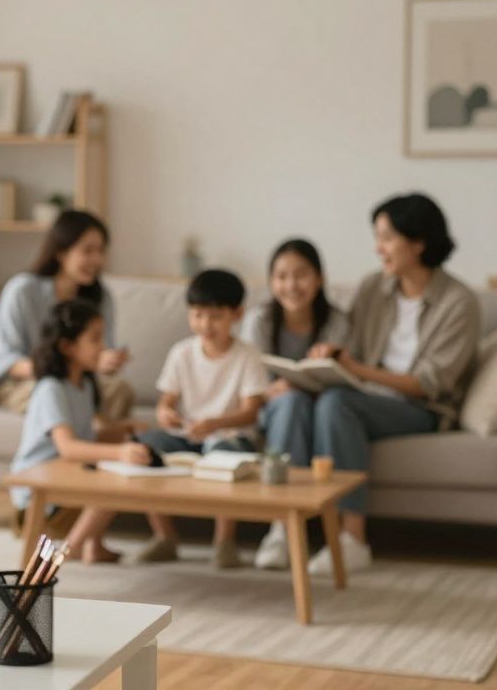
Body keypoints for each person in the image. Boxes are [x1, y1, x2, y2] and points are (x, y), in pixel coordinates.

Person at [305, 192, 479, 574]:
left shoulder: (458, 302)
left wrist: (358, 370)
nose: (377, 248)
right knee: (314, 400)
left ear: (418, 243)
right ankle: (289, 528)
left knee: (337, 404)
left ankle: (352, 539)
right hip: (367, 397)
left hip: (422, 409)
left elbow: (431, 384)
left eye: (386, 238)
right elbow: (350, 346)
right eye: (377, 237)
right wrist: (331, 356)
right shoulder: (373, 288)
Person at [136, 269, 268, 569]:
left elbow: (251, 411)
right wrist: (166, 414)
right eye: (197, 315)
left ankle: (224, 541)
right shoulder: (182, 353)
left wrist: (215, 424)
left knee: (222, 456)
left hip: (229, 438)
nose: (205, 325)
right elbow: (165, 402)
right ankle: (164, 536)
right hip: (188, 435)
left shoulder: (248, 355)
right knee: (141, 451)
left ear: (237, 314)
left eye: (215, 317)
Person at [8, 299, 153, 563]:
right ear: (67, 346)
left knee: (118, 470)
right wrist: (119, 452)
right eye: (95, 339)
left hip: (64, 481)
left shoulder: (83, 385)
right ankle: (70, 550)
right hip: (39, 500)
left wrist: (125, 432)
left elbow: (88, 436)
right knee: (112, 486)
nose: (103, 347)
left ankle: (93, 545)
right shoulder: (51, 388)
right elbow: (69, 447)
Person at [239, 238, 350, 570]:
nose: (291, 285)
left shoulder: (337, 322)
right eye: (281, 276)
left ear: (319, 278)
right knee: (289, 403)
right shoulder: (260, 321)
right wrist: (275, 391)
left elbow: (343, 376)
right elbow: (246, 378)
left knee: (309, 402)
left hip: (319, 409)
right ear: (271, 281)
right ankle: (280, 530)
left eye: (301, 275)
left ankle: (293, 528)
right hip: (272, 409)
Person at [0, 210, 134, 421]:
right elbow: (4, 361)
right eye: (88, 250)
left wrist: (107, 361)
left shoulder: (101, 297)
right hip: (32, 381)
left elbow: (103, 351)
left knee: (119, 390)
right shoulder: (22, 291)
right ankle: (86, 441)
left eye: (101, 251)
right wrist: (60, 370)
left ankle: (101, 443)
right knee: (59, 393)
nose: (97, 259)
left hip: (82, 380)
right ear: (61, 252)